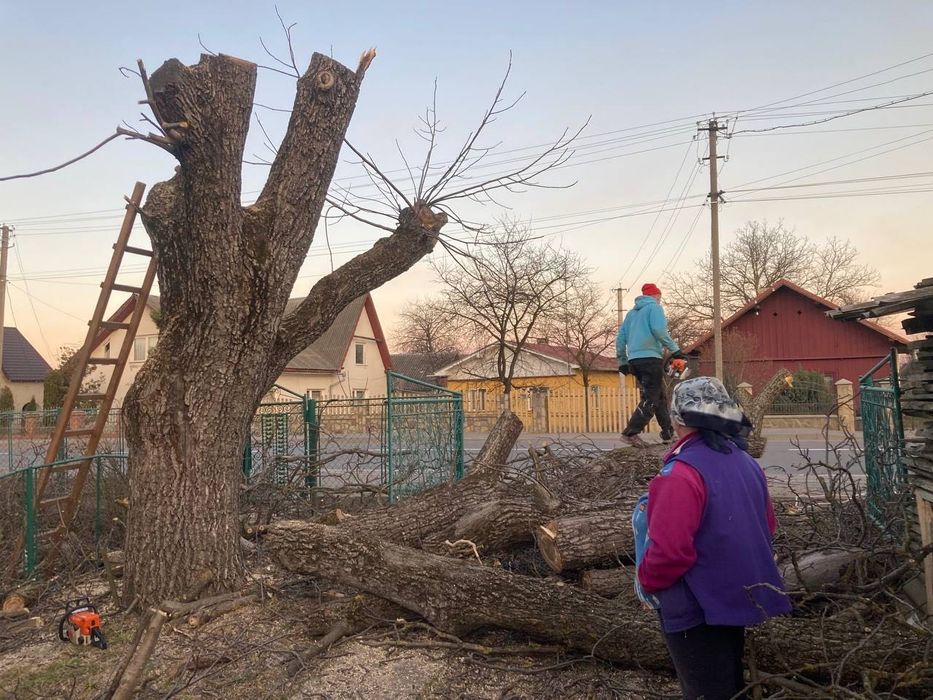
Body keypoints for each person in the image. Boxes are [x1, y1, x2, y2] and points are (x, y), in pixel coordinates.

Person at [635, 376, 792, 700]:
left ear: (679, 419)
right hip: (735, 600)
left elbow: (669, 554)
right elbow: (767, 527)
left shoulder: (679, 475)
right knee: (730, 686)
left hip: (694, 610)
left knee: (706, 691)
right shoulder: (747, 463)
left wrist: (646, 583)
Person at [616, 282, 683, 447]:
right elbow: (659, 330)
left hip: (634, 360)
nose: (660, 300)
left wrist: (623, 361)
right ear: (656, 296)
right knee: (651, 398)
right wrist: (675, 350)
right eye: (659, 297)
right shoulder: (655, 308)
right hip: (650, 358)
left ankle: (668, 433)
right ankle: (630, 433)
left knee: (659, 396)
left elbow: (621, 338)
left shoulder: (631, 314)